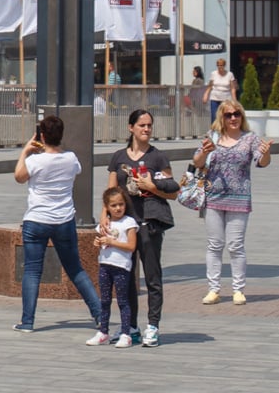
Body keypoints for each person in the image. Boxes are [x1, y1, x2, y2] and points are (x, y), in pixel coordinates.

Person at [12, 115, 101, 333]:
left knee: (32, 271)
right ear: (61, 135)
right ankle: (100, 315)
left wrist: (25, 151)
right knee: (75, 269)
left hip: (36, 220)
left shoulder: (35, 161)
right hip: (63, 220)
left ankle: (27, 321)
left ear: (41, 136)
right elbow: (77, 170)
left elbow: (19, 177)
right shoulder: (71, 158)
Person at [105, 108, 179, 347]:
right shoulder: (118, 157)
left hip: (149, 223)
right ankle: (130, 327)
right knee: (125, 277)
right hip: (125, 225)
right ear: (131, 128)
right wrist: (105, 217)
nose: (146, 129)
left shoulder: (158, 158)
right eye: (142, 125)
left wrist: (152, 187)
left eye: (149, 125)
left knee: (152, 276)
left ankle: (153, 326)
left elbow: (174, 193)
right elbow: (111, 192)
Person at [195, 100, 273, 305]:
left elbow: (262, 162)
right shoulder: (212, 136)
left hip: (239, 198)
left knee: (236, 245)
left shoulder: (250, 138)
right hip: (213, 197)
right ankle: (213, 289)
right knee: (214, 245)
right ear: (221, 117)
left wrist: (266, 152)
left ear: (242, 116)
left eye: (237, 114)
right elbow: (197, 162)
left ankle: (238, 290)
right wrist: (204, 152)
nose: (233, 118)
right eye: (228, 115)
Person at [88, 187, 139, 347]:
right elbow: (101, 241)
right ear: (107, 207)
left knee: (123, 301)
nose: (118, 208)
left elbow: (131, 246)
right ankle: (103, 332)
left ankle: (126, 333)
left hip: (121, 267)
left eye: (121, 204)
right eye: (114, 205)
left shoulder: (129, 222)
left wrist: (112, 242)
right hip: (105, 265)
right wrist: (98, 242)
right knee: (105, 300)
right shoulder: (105, 223)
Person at [206, 58, 237, 123]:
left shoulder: (230, 74)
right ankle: (215, 128)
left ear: (224, 66)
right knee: (214, 116)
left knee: (225, 116)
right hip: (214, 98)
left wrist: (234, 100)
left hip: (226, 99)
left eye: (221, 65)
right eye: (218, 65)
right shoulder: (213, 74)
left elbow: (232, 88)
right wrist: (206, 95)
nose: (220, 67)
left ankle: (224, 128)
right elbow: (210, 86)